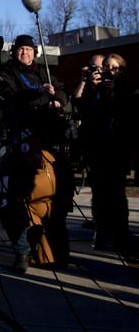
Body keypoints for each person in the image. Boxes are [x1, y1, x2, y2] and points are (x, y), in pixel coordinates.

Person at [0, 34, 71, 273]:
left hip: (48, 144)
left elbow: (62, 93)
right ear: (14, 52)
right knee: (13, 201)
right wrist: (41, 94)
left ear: (34, 52)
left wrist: (56, 101)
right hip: (20, 144)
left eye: (28, 49)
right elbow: (12, 98)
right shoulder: (7, 72)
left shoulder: (44, 72)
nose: (24, 53)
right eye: (20, 49)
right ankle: (22, 252)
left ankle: (52, 249)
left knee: (57, 198)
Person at [85, 53, 136, 252]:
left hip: (117, 150)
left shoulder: (126, 91)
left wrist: (114, 94)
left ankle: (121, 235)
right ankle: (101, 233)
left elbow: (128, 118)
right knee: (99, 194)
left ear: (121, 71)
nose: (110, 72)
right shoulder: (96, 90)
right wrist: (92, 87)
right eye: (107, 67)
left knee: (116, 194)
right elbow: (85, 112)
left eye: (115, 68)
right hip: (98, 149)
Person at [71, 53, 105, 230]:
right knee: (96, 185)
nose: (97, 71)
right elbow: (75, 100)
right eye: (94, 67)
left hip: (109, 144)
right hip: (91, 143)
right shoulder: (89, 88)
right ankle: (97, 219)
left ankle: (112, 222)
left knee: (111, 187)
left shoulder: (110, 86)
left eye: (100, 67)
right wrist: (84, 80)